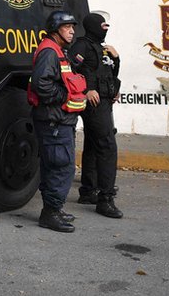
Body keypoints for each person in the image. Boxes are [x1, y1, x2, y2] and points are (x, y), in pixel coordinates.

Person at [27, 10, 87, 233]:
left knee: (58, 165)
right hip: (54, 120)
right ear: (55, 29)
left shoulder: (58, 50)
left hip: (60, 120)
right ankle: (50, 214)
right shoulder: (49, 52)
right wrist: (65, 97)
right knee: (60, 166)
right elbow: (41, 85)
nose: (72, 31)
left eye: (73, 26)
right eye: (67, 27)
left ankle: (55, 209)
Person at [70, 11, 123, 219]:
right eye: (103, 26)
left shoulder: (103, 49)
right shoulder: (81, 46)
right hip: (92, 102)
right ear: (93, 26)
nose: (106, 29)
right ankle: (106, 198)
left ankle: (89, 191)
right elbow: (70, 70)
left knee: (94, 144)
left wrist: (117, 59)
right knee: (108, 146)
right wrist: (87, 89)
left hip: (105, 101)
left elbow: (109, 73)